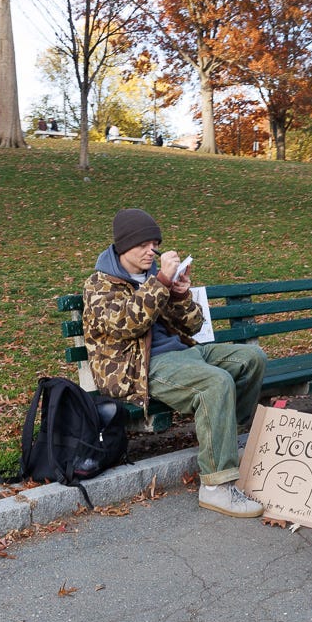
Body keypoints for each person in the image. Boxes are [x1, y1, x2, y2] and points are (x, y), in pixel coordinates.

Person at [83, 208, 267, 518]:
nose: (150, 250)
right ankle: (216, 487)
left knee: (252, 358)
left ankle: (222, 439)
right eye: (142, 244)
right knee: (215, 381)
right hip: (142, 368)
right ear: (123, 245)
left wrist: (181, 295)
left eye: (154, 243)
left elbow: (193, 326)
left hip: (185, 353)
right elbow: (127, 324)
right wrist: (162, 282)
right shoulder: (100, 284)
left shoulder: (153, 276)